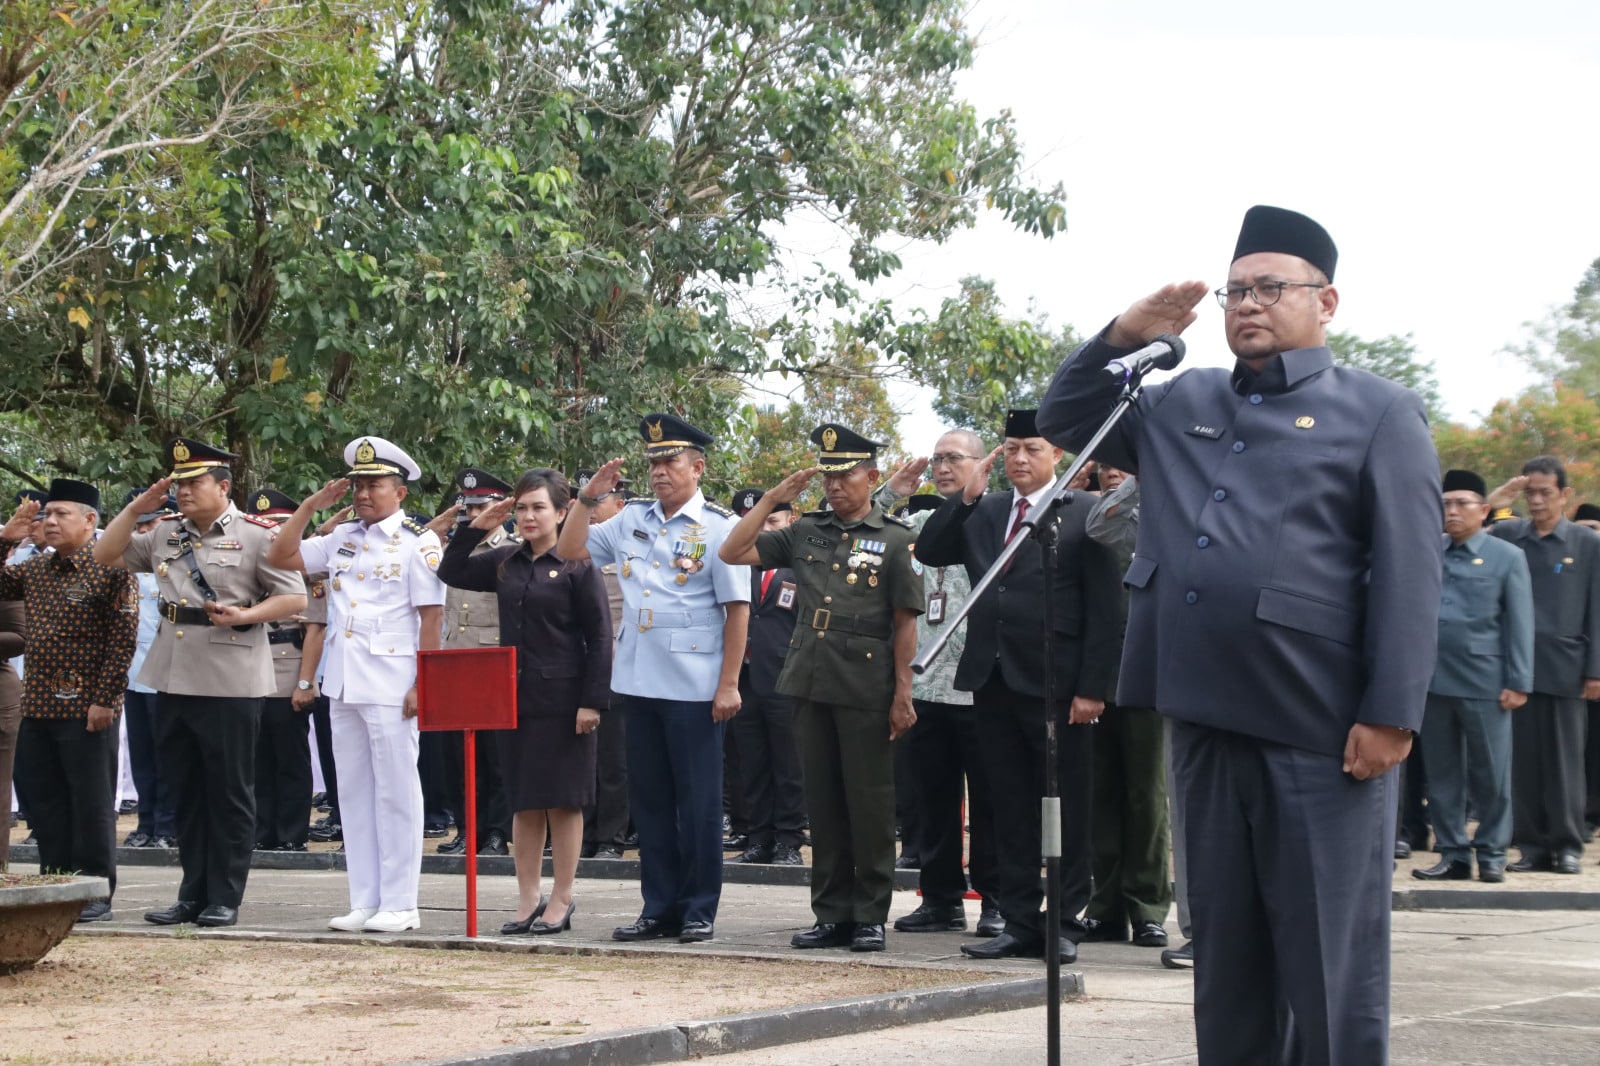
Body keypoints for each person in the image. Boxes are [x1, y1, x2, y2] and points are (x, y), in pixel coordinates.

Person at [1037, 205, 1443, 1064]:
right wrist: (1124, 332)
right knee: (1226, 954)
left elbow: (1411, 572)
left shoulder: (1377, 411)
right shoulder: (1183, 398)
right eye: (1235, 290)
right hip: (1199, 710)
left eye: (1270, 287)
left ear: (1326, 301)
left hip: (1318, 722)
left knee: (1328, 960)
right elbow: (1066, 416)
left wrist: (1393, 712)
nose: (1248, 303)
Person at [915, 410, 1121, 964]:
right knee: (1006, 806)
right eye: (1010, 449)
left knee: (1065, 806)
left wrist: (1093, 687)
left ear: (1057, 454)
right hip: (994, 677)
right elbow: (930, 549)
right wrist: (964, 497)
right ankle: (1020, 918)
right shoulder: (986, 512)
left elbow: (1106, 607)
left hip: (1059, 683)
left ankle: (1065, 920)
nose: (1020, 459)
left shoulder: (1083, 513)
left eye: (1032, 448)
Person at [719, 424, 923, 954]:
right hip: (809, 677)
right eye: (828, 475)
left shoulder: (897, 539)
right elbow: (732, 552)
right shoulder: (806, 530)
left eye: (846, 474)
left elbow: (906, 624)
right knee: (825, 802)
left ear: (873, 476)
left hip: (867, 682)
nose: (834, 485)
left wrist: (903, 694)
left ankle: (870, 914)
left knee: (870, 802)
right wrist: (770, 500)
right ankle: (831, 913)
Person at [97, 439, 308, 929]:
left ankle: (224, 896)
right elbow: (107, 555)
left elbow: (294, 598)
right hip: (172, 671)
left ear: (223, 486)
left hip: (231, 674)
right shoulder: (166, 531)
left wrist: (246, 614)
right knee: (186, 789)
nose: (184, 491)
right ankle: (191, 892)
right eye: (179, 482)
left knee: (230, 790)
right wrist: (137, 508)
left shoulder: (257, 535)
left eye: (194, 483)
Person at [556, 414, 748, 944]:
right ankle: (658, 905)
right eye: (654, 463)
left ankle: (698, 907)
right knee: (653, 803)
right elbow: (571, 551)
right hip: (638, 680)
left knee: (699, 803)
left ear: (697, 466)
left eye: (671, 462)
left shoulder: (720, 527)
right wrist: (587, 500)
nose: (660, 472)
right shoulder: (631, 519)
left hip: (695, 683)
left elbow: (737, 609)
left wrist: (729, 683)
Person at [264, 436, 446, 933]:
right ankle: (365, 897)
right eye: (359, 484)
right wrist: (307, 507)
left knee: (396, 792)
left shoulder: (417, 542)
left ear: (400, 492)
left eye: (375, 485)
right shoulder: (342, 536)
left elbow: (431, 618)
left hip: (392, 680)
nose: (364, 493)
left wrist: (421, 682)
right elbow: (281, 557)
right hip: (343, 680)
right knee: (354, 793)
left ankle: (402, 902)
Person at [439, 469, 613, 935]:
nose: (528, 516)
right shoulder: (505, 561)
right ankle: (527, 897)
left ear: (562, 511)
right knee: (525, 802)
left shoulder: (577, 562)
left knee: (564, 802)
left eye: (538, 507)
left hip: (565, 698)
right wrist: (475, 526)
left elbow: (599, 635)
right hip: (514, 697)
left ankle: (562, 897)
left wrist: (592, 701)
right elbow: (450, 569)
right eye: (521, 507)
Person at [872, 433, 1003, 938]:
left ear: (981, 463)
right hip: (926, 686)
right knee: (933, 801)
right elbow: (863, 533)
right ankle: (941, 898)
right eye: (940, 459)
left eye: (956, 458)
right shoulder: (925, 524)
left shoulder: (998, 519)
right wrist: (890, 492)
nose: (944, 467)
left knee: (990, 803)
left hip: (982, 685)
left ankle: (994, 900)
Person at [0, 480, 138, 920]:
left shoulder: (111, 568)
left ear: (90, 520)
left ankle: (96, 889)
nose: (51, 522)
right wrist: (6, 539)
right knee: (45, 803)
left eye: (61, 514)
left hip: (87, 707)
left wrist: (106, 699)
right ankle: (56, 883)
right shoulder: (34, 568)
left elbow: (123, 640)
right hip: (37, 704)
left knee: (91, 802)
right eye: (47, 515)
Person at [1084, 470, 1195, 969]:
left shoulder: (1173, 509)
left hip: (1152, 669)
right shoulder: (1104, 511)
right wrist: (1131, 483)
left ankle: (1148, 906)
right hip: (1102, 670)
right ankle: (1105, 905)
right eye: (1109, 462)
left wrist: (1146, 479)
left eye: (1127, 462)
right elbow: (1098, 527)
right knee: (1100, 795)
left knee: (1146, 795)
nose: (1116, 470)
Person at [1413, 470, 1533, 884]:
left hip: (1486, 681)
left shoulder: (1506, 557)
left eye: (1462, 503)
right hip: (1433, 681)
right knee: (1443, 776)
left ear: (1484, 510)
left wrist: (1520, 680)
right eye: (1446, 503)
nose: (1453, 511)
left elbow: (1519, 622)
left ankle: (1493, 852)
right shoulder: (1430, 550)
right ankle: (1452, 854)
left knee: (1492, 774)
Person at [1487, 457, 1600, 875]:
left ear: (1565, 495)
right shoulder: (1510, 536)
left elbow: (1597, 609)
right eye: (1529, 492)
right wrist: (1496, 502)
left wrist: (1595, 669)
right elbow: (1461, 533)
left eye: (1544, 493)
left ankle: (1568, 844)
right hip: (1515, 666)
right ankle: (1531, 844)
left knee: (1566, 762)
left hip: (1566, 666)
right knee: (1523, 763)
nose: (1536, 501)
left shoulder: (1587, 544)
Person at [434, 469, 514, 858]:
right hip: (455, 658)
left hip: (492, 660)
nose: (474, 516)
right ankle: (467, 829)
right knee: (458, 755)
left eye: (483, 507)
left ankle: (497, 831)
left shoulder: (511, 549)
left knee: (494, 755)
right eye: (468, 509)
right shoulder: (456, 549)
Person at [726, 487, 807, 867]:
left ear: (790, 520)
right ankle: (759, 839)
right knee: (752, 765)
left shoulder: (802, 564)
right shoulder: (739, 564)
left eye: (773, 521)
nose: (765, 529)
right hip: (744, 679)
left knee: (789, 766)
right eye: (759, 521)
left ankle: (789, 841)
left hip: (787, 678)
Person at [247, 489, 318, 853]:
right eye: (265, 526)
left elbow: (315, 631)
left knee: (290, 756)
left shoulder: (306, 568)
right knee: (258, 758)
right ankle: (262, 831)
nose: (272, 533)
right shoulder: (248, 564)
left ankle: (292, 833)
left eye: (280, 525)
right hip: (250, 668)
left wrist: (305, 682)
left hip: (289, 667)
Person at [574, 470, 632, 860]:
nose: (593, 511)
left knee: (613, 759)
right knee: (580, 760)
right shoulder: (574, 550)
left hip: (616, 664)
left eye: (601, 502)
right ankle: (585, 833)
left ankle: (611, 837)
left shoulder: (630, 550)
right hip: (575, 665)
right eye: (588, 503)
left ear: (621, 506)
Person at [119, 489, 177, 850]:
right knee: (142, 755)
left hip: (167, 673)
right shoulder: (132, 566)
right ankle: (147, 822)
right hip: (133, 674)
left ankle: (169, 826)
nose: (143, 532)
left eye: (151, 523)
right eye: (140, 525)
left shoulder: (176, 565)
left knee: (168, 754)